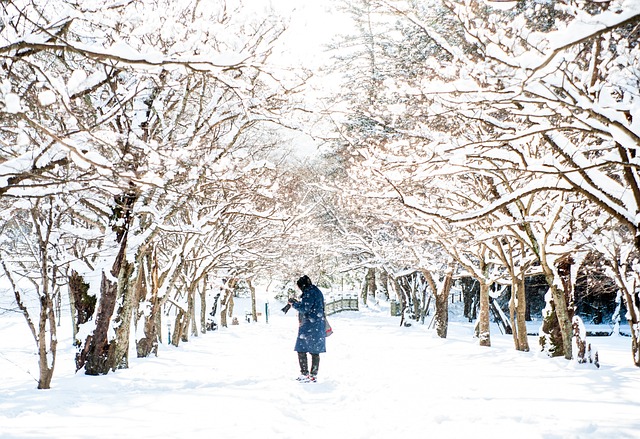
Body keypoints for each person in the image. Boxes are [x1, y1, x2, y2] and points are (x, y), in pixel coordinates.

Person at [289, 275, 326, 383]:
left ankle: (305, 374)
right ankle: (313, 374)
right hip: (317, 324)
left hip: (309, 325)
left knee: (302, 349)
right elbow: (310, 305)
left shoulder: (309, 292)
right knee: (314, 351)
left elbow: (305, 308)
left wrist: (294, 304)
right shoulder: (316, 291)